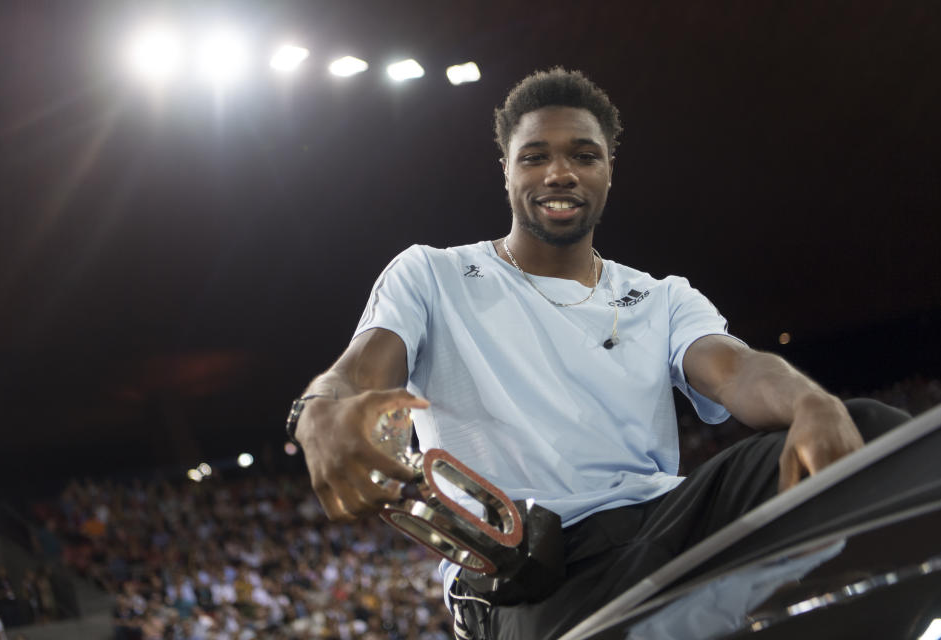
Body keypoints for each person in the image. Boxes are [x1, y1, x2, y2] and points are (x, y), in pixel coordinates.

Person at [289, 68, 909, 639]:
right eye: (535, 157)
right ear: (505, 170)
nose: (560, 173)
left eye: (583, 156)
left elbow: (736, 369)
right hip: (532, 563)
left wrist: (810, 402)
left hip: (665, 522)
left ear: (609, 169)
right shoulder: (432, 274)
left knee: (872, 435)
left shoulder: (661, 296)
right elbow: (360, 373)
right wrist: (322, 409)